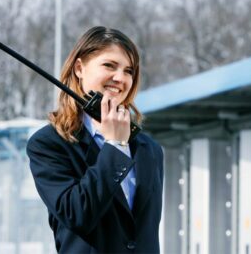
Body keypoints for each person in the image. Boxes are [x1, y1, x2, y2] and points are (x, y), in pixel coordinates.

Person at [26, 26, 164, 253]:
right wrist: (115, 147)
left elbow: (146, 232)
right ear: (79, 68)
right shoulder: (49, 144)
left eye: (129, 71)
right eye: (109, 65)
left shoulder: (149, 149)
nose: (120, 78)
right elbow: (77, 214)